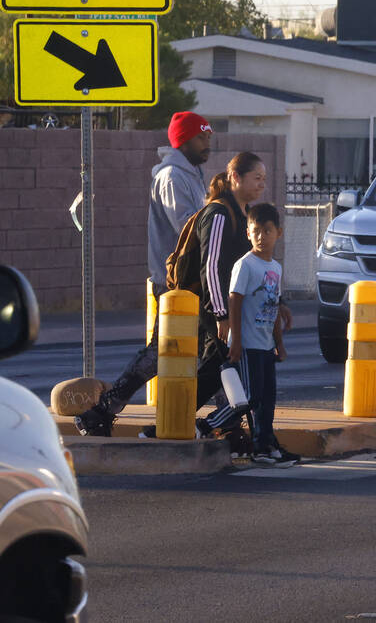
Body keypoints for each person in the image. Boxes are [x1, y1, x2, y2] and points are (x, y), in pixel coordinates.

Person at [75, 112, 213, 437]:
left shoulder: (191, 174)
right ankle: (103, 410)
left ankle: (219, 417)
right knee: (165, 352)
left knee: (205, 350)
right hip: (176, 284)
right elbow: (189, 229)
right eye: (201, 137)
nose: (208, 142)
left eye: (208, 136)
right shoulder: (171, 177)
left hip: (193, 283)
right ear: (184, 140)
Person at [194, 153, 268, 447]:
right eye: (257, 178)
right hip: (219, 312)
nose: (262, 184)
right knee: (222, 371)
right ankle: (172, 424)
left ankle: (237, 432)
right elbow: (210, 267)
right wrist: (220, 314)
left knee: (224, 373)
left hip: (238, 312)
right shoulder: (220, 214)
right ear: (236, 178)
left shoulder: (244, 213)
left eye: (264, 178)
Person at [226, 203, 300, 466]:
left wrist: (279, 345)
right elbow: (235, 300)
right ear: (248, 233)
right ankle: (255, 445)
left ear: (278, 233)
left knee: (268, 398)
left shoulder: (276, 269)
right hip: (247, 344)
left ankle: (267, 444)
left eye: (267, 231)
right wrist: (236, 340)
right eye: (256, 231)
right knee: (252, 397)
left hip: (265, 344)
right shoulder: (245, 265)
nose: (261, 236)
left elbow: (273, 309)